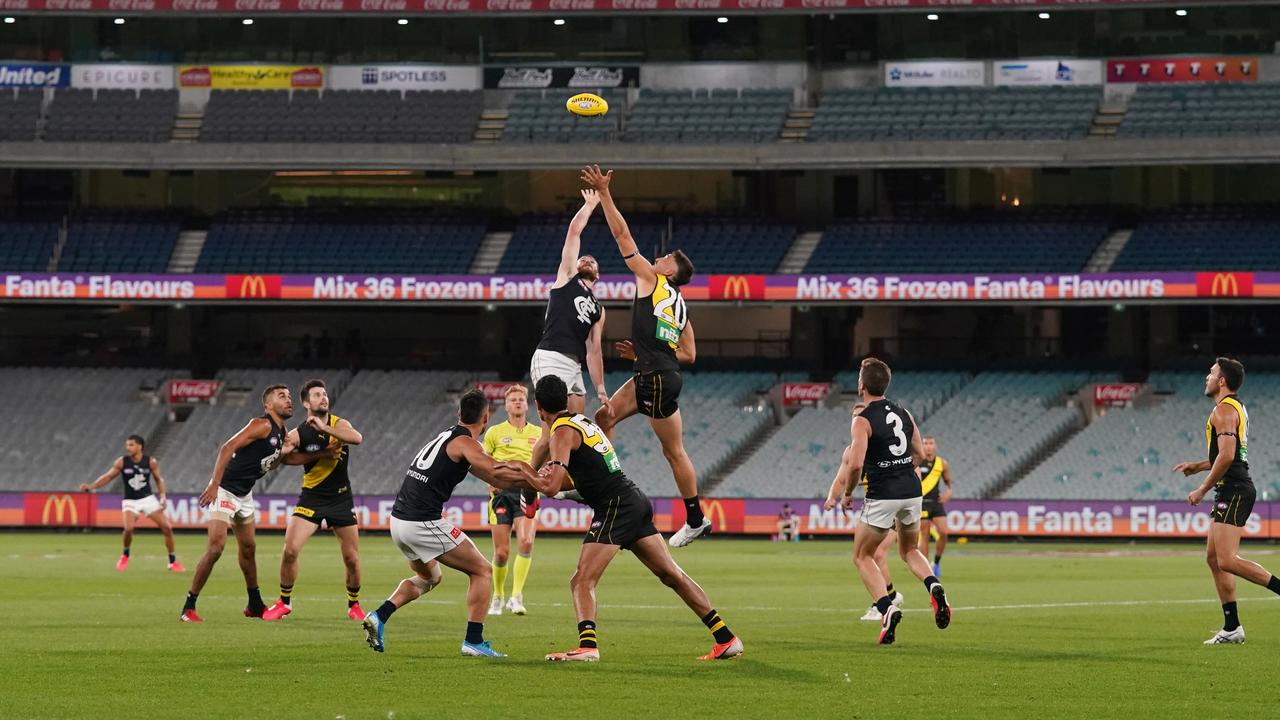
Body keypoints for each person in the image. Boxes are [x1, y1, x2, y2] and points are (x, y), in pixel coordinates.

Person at [526, 375, 743, 662]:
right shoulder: (582, 423)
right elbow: (586, 473)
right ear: (566, 400)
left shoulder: (561, 433)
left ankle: (588, 647)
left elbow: (552, 485)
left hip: (615, 506)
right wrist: (554, 483)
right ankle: (726, 639)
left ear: (539, 407)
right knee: (671, 575)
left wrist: (524, 476)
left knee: (581, 580)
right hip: (632, 499)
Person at [580, 165, 707, 548]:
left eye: (667, 257)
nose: (660, 257)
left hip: (653, 376)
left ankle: (694, 517)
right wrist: (648, 349)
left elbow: (621, 235)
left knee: (672, 451)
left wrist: (604, 193)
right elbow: (689, 353)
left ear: (672, 272)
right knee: (605, 416)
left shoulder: (654, 280)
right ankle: (595, 485)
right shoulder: (680, 305)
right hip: (658, 372)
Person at [360, 389, 539, 657]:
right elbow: (496, 470)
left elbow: (495, 478)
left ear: (459, 414)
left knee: (429, 577)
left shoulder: (446, 437)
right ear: (486, 417)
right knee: (482, 571)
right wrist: (534, 477)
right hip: (421, 521)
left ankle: (379, 615)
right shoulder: (467, 444)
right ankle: (474, 641)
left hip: (398, 522)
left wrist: (522, 482)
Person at [825, 358, 950, 644]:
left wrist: (846, 496)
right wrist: (901, 468)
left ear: (862, 384)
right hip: (911, 491)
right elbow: (919, 452)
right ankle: (933, 586)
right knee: (909, 550)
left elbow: (855, 465)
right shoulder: (904, 412)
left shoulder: (862, 418)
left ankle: (886, 608)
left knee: (862, 556)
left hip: (882, 494)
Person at [181, 384, 323, 622]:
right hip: (225, 491)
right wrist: (215, 484)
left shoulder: (281, 432)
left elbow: (274, 462)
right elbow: (228, 447)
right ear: (268, 405)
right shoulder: (262, 424)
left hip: (244, 496)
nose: (289, 400)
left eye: (289, 396)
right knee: (216, 548)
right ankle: (188, 607)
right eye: (282, 396)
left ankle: (254, 604)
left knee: (248, 549)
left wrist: (316, 454)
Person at [1175, 357, 1280, 645]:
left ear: (1222, 381)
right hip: (1231, 488)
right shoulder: (1235, 407)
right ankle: (1232, 627)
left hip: (1234, 489)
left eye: (1211, 373)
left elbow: (1227, 456)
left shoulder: (1223, 410)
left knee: (1227, 559)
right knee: (1214, 558)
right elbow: (1227, 455)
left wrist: (1201, 489)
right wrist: (1198, 465)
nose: (1206, 377)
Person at [262, 379, 366, 622]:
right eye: (317, 395)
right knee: (290, 551)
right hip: (312, 498)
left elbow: (357, 438)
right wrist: (287, 452)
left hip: (341, 497)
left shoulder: (338, 424)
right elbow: (280, 461)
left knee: (351, 557)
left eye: (325, 394)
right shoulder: (298, 433)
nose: (324, 398)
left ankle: (354, 604)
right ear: (306, 403)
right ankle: (284, 602)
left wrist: (324, 428)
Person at [80, 434, 182, 573]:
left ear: (140, 446)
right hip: (130, 500)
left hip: (148, 499)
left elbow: (159, 480)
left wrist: (163, 497)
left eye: (131, 445)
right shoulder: (122, 462)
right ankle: (125, 554)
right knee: (128, 529)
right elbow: (108, 477)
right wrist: (92, 486)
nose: (128, 448)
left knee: (167, 528)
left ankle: (172, 562)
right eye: (127, 445)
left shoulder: (150, 461)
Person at [483, 384, 542, 617]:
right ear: (506, 406)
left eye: (520, 399)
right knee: (501, 553)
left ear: (527, 405)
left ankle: (516, 596)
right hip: (500, 495)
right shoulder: (494, 432)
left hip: (527, 491)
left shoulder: (538, 433)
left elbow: (548, 460)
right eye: (513, 400)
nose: (517, 402)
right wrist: (490, 479)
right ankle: (497, 596)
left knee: (526, 542)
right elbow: (482, 460)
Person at [918, 436, 953, 577]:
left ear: (935, 446)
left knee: (944, 532)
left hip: (936, 502)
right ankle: (927, 570)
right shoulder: (917, 461)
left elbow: (948, 482)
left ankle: (936, 562)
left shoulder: (942, 464)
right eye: (925, 443)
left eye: (930, 443)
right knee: (924, 534)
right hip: (921, 502)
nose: (928, 446)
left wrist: (949, 492)